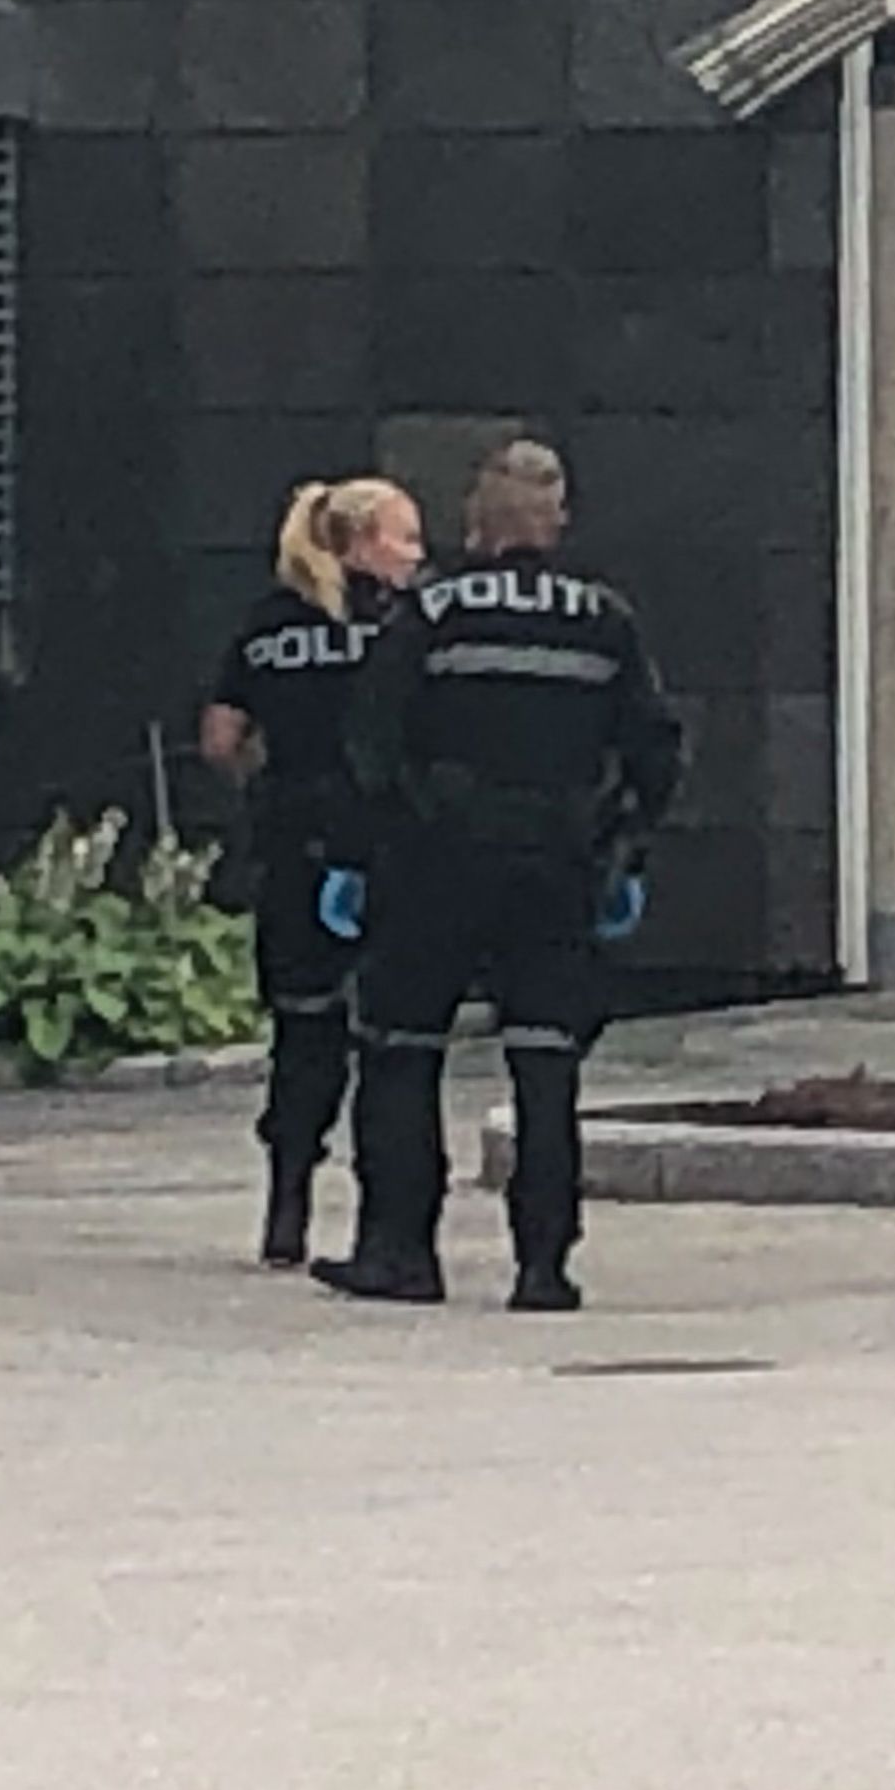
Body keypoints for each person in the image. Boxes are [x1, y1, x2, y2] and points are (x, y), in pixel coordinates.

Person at [317, 440, 683, 1312]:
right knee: (546, 1066)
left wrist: (362, 853)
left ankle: (401, 1253)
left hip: (435, 863)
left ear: (476, 521)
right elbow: (655, 750)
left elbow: (370, 740)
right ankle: (542, 1266)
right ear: (557, 522)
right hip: (555, 867)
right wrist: (622, 847)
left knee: (401, 1052)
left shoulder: (433, 613)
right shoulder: (603, 620)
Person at [202, 476, 427, 1268]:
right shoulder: (399, 624)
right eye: (405, 537)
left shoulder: (267, 623)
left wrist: (267, 787)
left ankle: (287, 1203)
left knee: (303, 1030)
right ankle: (384, 1220)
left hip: (292, 848)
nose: (417, 555)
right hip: (388, 851)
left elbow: (221, 739)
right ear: (361, 542)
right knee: (392, 1040)